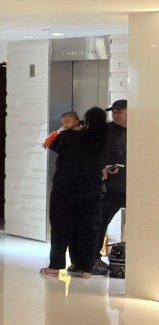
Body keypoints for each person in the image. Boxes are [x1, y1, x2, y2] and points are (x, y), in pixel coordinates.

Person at [43, 106, 107, 278]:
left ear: (85, 121)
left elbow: (51, 143)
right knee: (89, 228)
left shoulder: (68, 136)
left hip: (65, 188)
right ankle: (86, 268)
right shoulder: (103, 138)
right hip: (92, 189)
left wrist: (64, 129)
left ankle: (55, 266)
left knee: (60, 226)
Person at [97, 99, 127, 272]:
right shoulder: (107, 130)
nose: (115, 115)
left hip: (136, 185)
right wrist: (105, 166)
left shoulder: (142, 129)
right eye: (114, 112)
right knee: (101, 220)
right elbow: (97, 153)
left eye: (119, 112)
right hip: (112, 185)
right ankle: (94, 257)